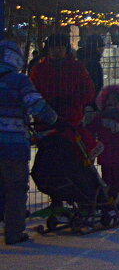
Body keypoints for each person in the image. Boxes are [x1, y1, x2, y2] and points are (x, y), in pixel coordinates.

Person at [0, 39, 57, 245]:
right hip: (13, 145)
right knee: (15, 188)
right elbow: (36, 105)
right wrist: (54, 118)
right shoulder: (18, 81)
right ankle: (14, 232)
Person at [90, 84, 119, 212]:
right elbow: (90, 129)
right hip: (106, 156)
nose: (111, 103)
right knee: (108, 182)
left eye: (114, 101)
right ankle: (113, 202)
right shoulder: (100, 118)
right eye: (108, 101)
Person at [29, 33, 94, 127]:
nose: (56, 51)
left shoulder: (77, 68)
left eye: (60, 48)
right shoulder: (39, 70)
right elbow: (33, 92)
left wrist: (71, 102)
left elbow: (88, 91)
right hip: (45, 119)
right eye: (53, 48)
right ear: (48, 50)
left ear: (66, 49)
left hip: (71, 119)